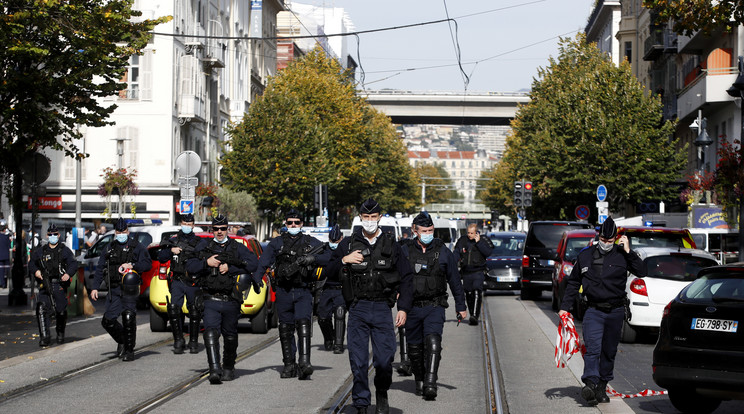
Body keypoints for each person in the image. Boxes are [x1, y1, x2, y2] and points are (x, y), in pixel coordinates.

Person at [335, 198, 413, 414]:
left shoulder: (391, 244)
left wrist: (404, 308)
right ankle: (361, 402)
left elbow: (406, 277)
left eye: (373, 217)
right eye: (365, 217)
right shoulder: (348, 244)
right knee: (358, 362)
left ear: (380, 217)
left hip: (381, 309)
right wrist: (344, 260)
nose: (369, 221)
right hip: (358, 308)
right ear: (360, 218)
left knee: (385, 360)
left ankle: (381, 391)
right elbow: (330, 269)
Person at [559, 217, 646, 406]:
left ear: (616, 238)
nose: (606, 244)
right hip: (593, 310)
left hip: (615, 311)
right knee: (592, 348)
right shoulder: (586, 255)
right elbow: (574, 282)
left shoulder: (623, 255)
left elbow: (642, 271)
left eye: (610, 240)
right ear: (598, 237)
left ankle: (601, 387)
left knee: (609, 351)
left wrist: (629, 251)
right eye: (604, 240)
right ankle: (590, 383)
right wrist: (564, 308)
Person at [253, 209, 331, 380]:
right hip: (283, 291)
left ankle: (304, 363)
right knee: (285, 328)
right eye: (290, 223)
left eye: (296, 222)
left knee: (304, 324)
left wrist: (312, 259)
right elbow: (264, 262)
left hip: (303, 290)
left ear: (302, 224)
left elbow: (329, 256)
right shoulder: (276, 243)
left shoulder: (310, 242)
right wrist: (257, 279)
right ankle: (289, 364)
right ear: (286, 224)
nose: (293, 225)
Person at [401, 212, 467, 400]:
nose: (428, 233)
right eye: (424, 230)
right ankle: (419, 379)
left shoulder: (443, 251)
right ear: (415, 230)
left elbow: (455, 280)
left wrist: (460, 306)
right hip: (412, 307)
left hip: (434, 306)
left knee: (433, 342)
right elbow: (395, 276)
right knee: (414, 349)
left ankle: (431, 383)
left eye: (431, 230)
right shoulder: (405, 251)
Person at [187, 214, 259, 384]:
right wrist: (206, 263)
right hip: (210, 298)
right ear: (211, 229)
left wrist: (231, 268)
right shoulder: (204, 247)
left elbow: (254, 264)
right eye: (216, 229)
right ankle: (214, 369)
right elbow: (190, 266)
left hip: (231, 300)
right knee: (210, 332)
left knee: (230, 336)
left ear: (228, 229)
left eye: (223, 229)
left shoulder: (237, 247)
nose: (219, 232)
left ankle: (228, 367)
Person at [90, 218, 152, 361]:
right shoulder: (109, 247)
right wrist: (95, 288)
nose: (121, 234)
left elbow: (147, 264)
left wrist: (133, 266)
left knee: (128, 316)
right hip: (115, 289)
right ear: (115, 233)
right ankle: (123, 340)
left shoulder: (137, 246)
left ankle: (129, 350)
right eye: (119, 232)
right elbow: (100, 268)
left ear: (127, 232)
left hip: (130, 289)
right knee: (108, 321)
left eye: (124, 231)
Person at [158, 214, 203, 354]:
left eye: (189, 225)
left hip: (193, 281)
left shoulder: (199, 242)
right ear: (180, 224)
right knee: (174, 309)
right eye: (184, 224)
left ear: (193, 225)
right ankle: (178, 340)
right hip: (177, 279)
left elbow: (205, 259)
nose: (187, 227)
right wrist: (171, 250)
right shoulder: (173, 240)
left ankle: (194, 341)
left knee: (194, 311)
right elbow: (161, 256)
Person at [28, 224, 78, 346]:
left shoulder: (64, 250)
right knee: (41, 308)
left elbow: (73, 264)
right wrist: (37, 271)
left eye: (55, 234)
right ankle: (45, 337)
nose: (52, 237)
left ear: (58, 235)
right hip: (45, 284)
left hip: (59, 284)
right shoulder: (42, 251)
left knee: (60, 311)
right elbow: (31, 264)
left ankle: (60, 333)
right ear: (47, 235)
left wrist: (68, 274)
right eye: (50, 234)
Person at [453, 223, 493, 325]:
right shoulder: (462, 240)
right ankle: (472, 314)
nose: (469, 235)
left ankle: (475, 315)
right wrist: (452, 262)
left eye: (472, 233)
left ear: (476, 232)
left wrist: (479, 243)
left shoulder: (482, 240)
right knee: (468, 293)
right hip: (466, 272)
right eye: (468, 233)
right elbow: (456, 252)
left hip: (478, 271)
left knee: (476, 290)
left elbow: (488, 252)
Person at [316, 224, 346, 354]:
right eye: (332, 241)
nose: (334, 243)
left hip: (341, 288)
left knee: (340, 313)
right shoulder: (324, 249)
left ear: (341, 238)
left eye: (337, 241)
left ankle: (338, 344)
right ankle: (329, 338)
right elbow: (319, 259)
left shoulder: (346, 249)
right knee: (322, 317)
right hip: (326, 288)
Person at [0, 220, 10, 289]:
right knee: (7, 271)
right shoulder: (7, 237)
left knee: (1, 271)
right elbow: (9, 246)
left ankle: (2, 283)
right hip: (6, 256)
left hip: (0, 256)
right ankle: (5, 284)